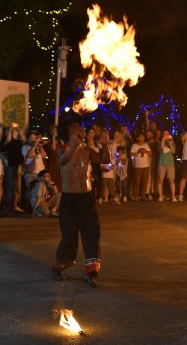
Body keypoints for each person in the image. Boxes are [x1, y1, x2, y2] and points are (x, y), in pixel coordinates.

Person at [51, 121, 111, 288]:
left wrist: (105, 145)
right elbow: (62, 162)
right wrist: (74, 146)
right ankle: (58, 266)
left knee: (92, 234)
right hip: (70, 200)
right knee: (69, 239)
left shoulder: (87, 151)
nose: (82, 129)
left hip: (87, 199)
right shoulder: (62, 149)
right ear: (70, 131)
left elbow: (105, 160)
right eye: (78, 127)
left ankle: (90, 274)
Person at [3, 123, 25, 212]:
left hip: (18, 165)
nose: (13, 132)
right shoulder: (7, 142)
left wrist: (19, 128)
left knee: (18, 186)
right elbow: (8, 138)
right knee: (11, 185)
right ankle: (8, 205)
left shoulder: (18, 142)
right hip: (11, 166)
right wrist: (11, 127)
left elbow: (23, 138)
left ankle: (15, 204)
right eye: (11, 132)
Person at [130, 133, 152, 201]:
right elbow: (131, 154)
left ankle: (143, 196)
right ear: (137, 138)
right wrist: (139, 152)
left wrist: (145, 151)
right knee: (137, 181)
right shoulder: (134, 145)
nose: (142, 138)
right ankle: (136, 196)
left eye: (143, 137)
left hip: (146, 166)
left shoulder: (146, 145)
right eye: (140, 137)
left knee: (145, 181)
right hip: (137, 166)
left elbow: (150, 153)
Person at [157, 130, 177, 202]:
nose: (166, 135)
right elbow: (162, 148)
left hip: (170, 163)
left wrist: (170, 144)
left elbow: (173, 152)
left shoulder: (171, 142)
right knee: (160, 180)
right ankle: (160, 196)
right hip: (162, 163)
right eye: (165, 134)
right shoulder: (159, 142)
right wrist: (163, 139)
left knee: (171, 180)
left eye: (167, 134)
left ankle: (173, 196)